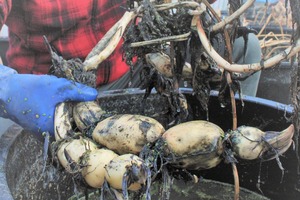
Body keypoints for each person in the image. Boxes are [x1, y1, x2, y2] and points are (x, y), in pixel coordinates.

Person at [0, 0, 261, 137]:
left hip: (132, 65)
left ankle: (220, 151)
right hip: (52, 91)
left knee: (242, 49)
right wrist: (7, 85)